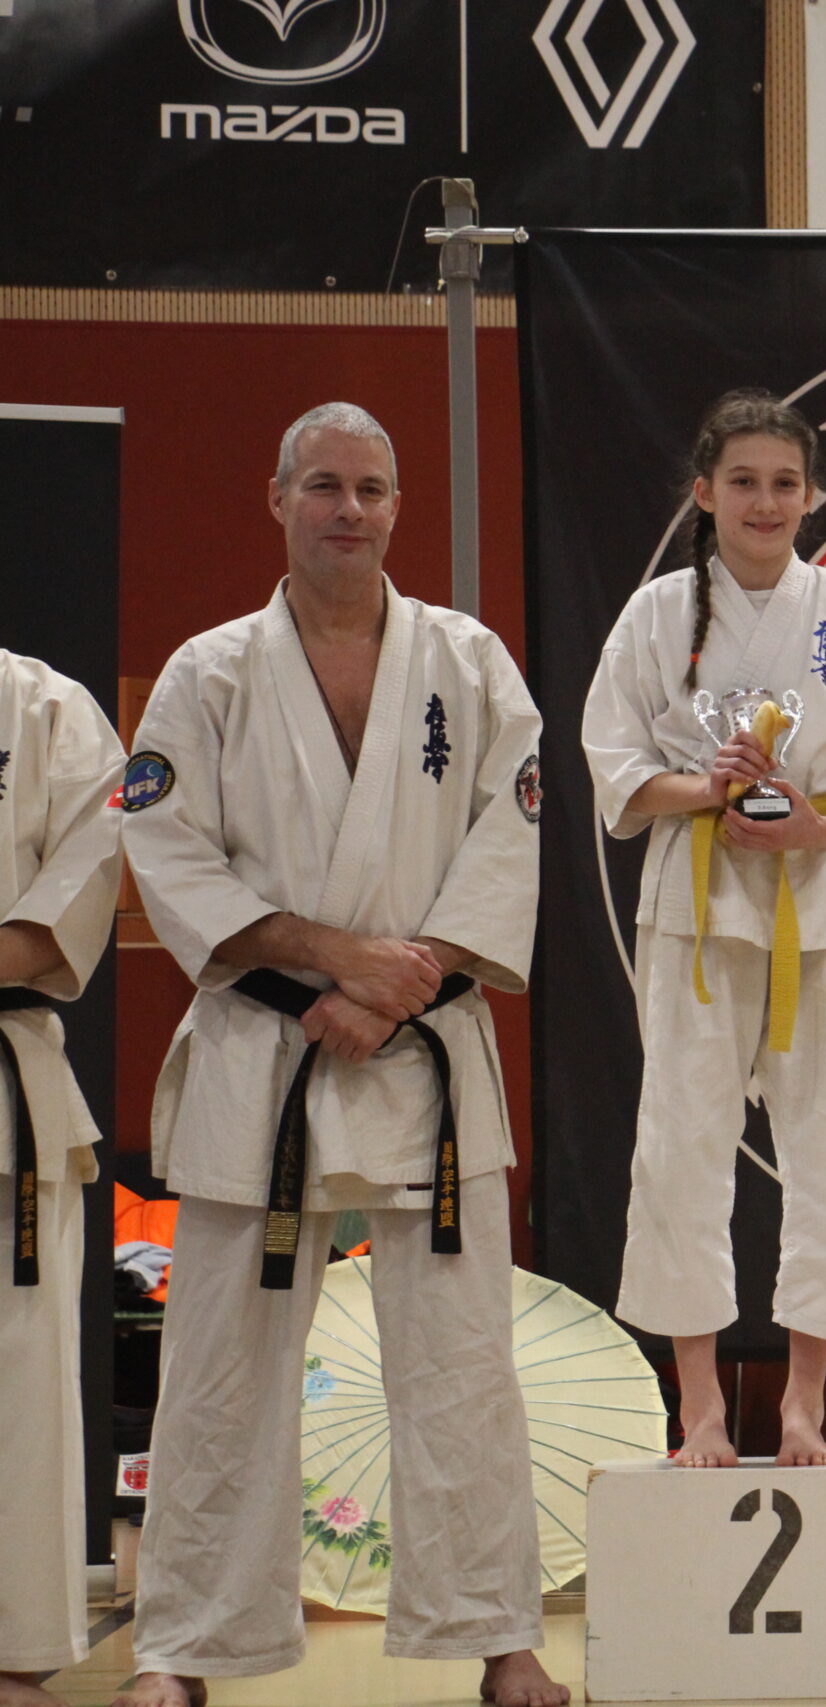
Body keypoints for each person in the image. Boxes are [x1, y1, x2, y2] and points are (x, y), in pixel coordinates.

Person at [116, 404, 564, 1707]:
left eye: (371, 487)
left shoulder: (468, 663)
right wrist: (334, 957)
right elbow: (166, 851)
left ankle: (502, 1637)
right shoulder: (208, 673)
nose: (348, 509)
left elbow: (510, 840)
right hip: (266, 1046)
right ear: (277, 498)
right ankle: (181, 1647)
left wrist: (393, 984)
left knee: (464, 1362)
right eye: (323, 484)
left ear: (398, 505)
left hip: (422, 1048)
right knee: (220, 1366)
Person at [582, 389, 826, 1467]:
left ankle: (802, 1404)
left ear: (812, 495)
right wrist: (709, 788)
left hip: (816, 903)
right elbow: (613, 763)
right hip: (693, 909)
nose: (765, 502)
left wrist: (819, 824)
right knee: (681, 1148)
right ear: (704, 492)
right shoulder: (657, 615)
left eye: (785, 483)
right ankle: (698, 1404)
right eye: (743, 481)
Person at [0, 652, 122, 1707]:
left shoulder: (46, 710)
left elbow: (62, 913)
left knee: (20, 1379)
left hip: (8, 1081)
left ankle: (10, 1647)